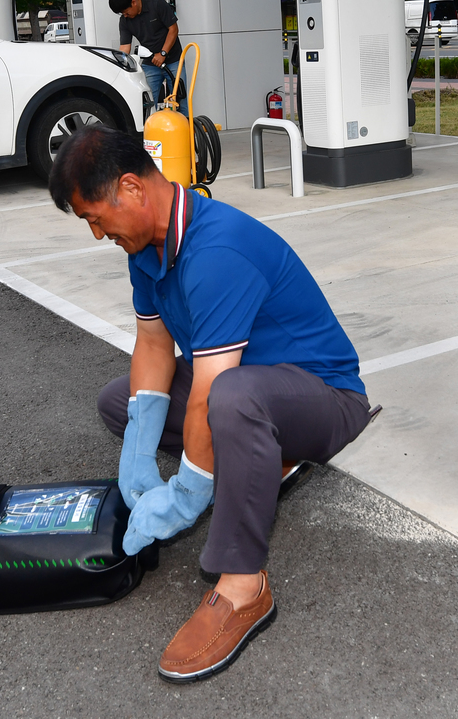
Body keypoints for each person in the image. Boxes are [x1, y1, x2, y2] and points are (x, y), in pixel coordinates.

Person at [48, 125, 373, 683]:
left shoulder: (218, 250)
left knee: (230, 399)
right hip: (244, 388)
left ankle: (244, 585)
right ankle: (265, 459)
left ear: (131, 187)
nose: (98, 234)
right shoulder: (147, 244)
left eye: (96, 217)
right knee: (118, 403)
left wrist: (187, 493)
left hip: (324, 399)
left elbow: (209, 389)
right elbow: (153, 343)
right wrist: (139, 449)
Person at [109, 0, 189, 116]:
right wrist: (118, 67)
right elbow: (125, 46)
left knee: (179, 100)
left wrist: (163, 53)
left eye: (126, 12)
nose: (125, 15)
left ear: (133, 2)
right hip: (150, 63)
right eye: (122, 13)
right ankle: (153, 133)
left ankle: (186, 134)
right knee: (147, 102)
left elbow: (173, 29)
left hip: (173, 60)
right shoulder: (124, 21)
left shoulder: (156, 4)